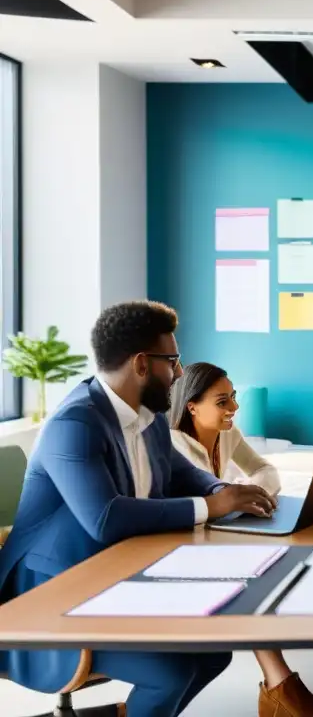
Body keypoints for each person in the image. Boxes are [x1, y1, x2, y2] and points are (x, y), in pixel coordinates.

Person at [0, 301, 276, 717]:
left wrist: (228, 492)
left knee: (215, 651)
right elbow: (104, 518)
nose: (180, 373)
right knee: (170, 670)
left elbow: (188, 476)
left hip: (113, 579)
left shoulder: (149, 418)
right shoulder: (74, 424)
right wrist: (210, 506)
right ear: (142, 365)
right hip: (51, 597)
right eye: (174, 361)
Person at [169, 362, 313, 716]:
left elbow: (266, 471)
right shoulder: (174, 444)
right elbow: (206, 501)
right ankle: (282, 692)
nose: (233, 408)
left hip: (217, 534)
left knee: (277, 557)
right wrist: (235, 498)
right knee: (253, 576)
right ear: (192, 406)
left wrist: (251, 495)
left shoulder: (228, 433)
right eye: (222, 401)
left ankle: (280, 688)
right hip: (180, 544)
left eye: (233, 397)